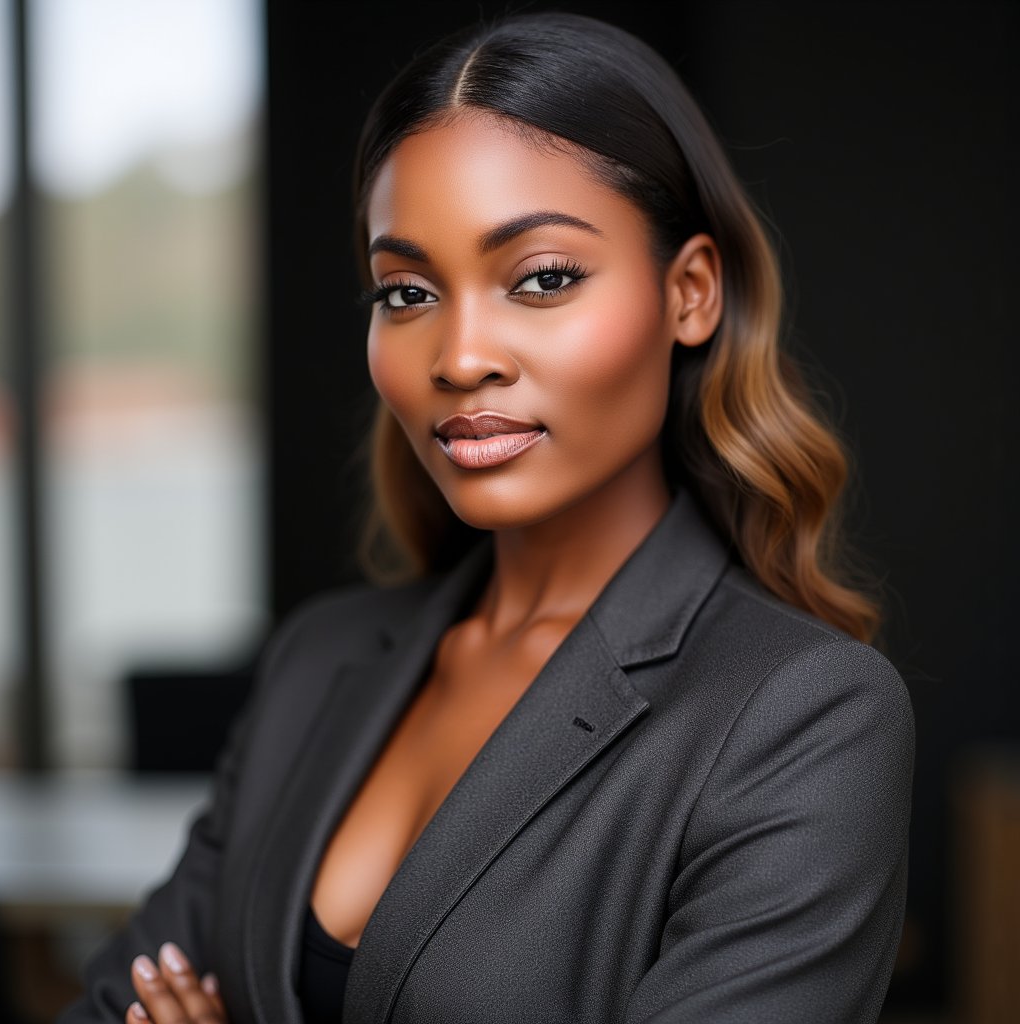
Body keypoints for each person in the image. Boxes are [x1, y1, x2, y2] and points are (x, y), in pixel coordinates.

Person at [58, 10, 914, 1024]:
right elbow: (114, 999)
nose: (460, 356)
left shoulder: (803, 716)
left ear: (688, 293)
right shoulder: (317, 663)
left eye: (542, 279)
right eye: (408, 291)